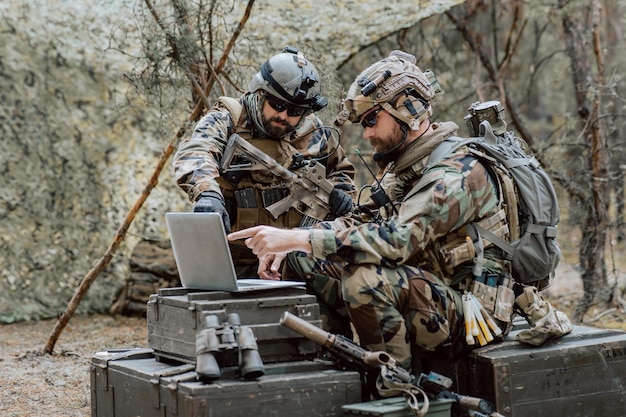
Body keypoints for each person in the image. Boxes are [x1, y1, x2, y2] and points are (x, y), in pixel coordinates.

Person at [228, 50, 572, 371]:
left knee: (365, 280)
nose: (367, 133)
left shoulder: (458, 173)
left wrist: (300, 238)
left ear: (406, 109)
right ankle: (338, 354)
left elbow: (397, 240)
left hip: (472, 314)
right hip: (427, 288)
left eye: (372, 119)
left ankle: (394, 385)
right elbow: (364, 220)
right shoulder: (406, 167)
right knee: (302, 256)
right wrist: (292, 243)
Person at [173, 47, 356, 331]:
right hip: (233, 263)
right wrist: (208, 192)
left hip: (294, 261)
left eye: (295, 111)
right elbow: (195, 152)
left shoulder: (316, 134)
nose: (284, 115)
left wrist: (341, 199)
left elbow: (342, 171)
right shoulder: (230, 119)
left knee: (323, 332)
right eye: (277, 105)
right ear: (259, 94)